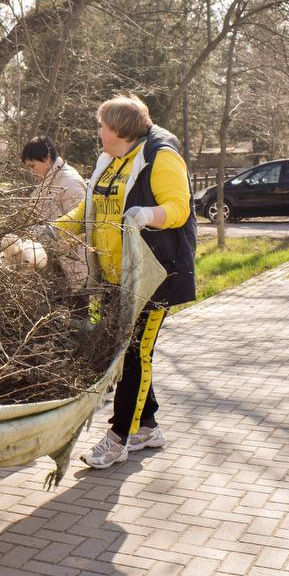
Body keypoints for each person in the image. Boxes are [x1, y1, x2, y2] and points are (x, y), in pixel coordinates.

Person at [53, 96, 195, 470]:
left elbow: (180, 208)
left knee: (134, 353)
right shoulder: (110, 162)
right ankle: (147, 426)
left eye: (102, 125)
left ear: (119, 130)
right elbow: (88, 210)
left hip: (153, 276)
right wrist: (50, 234)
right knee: (126, 351)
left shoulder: (160, 158)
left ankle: (119, 437)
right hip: (117, 277)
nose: (98, 131)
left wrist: (149, 213)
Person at [22, 136, 87, 289]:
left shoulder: (69, 182)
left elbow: (82, 225)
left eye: (32, 166)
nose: (31, 171)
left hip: (75, 265)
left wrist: (48, 236)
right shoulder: (49, 180)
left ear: (47, 157)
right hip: (57, 263)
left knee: (77, 310)